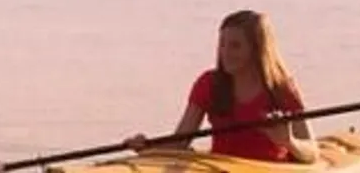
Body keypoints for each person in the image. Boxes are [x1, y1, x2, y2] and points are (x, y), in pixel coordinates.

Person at [125, 10, 319, 163]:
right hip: (223, 167)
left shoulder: (280, 88)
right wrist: (146, 147)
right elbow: (180, 142)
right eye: (222, 44)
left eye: (235, 46)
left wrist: (289, 142)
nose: (225, 52)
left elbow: (312, 153)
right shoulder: (208, 84)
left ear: (257, 49)